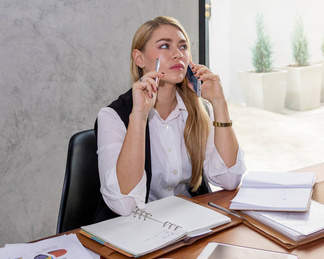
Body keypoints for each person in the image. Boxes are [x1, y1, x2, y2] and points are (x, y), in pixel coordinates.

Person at [94, 16, 246, 220]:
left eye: (183, 47)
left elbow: (229, 179)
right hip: (134, 231)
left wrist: (219, 103)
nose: (177, 55)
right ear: (139, 59)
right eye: (165, 46)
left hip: (189, 225)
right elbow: (125, 205)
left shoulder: (198, 111)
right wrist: (139, 116)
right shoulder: (112, 116)